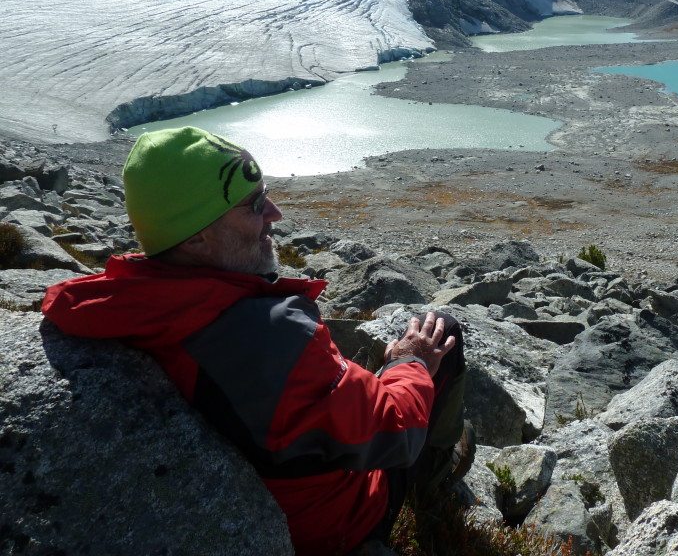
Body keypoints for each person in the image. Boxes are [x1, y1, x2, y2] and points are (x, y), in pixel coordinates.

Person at [42, 126, 472, 556]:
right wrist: (409, 363)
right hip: (343, 517)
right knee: (441, 330)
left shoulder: (133, 304)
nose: (275, 213)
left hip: (276, 482)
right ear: (195, 236)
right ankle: (435, 474)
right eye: (253, 204)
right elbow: (396, 433)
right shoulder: (268, 339)